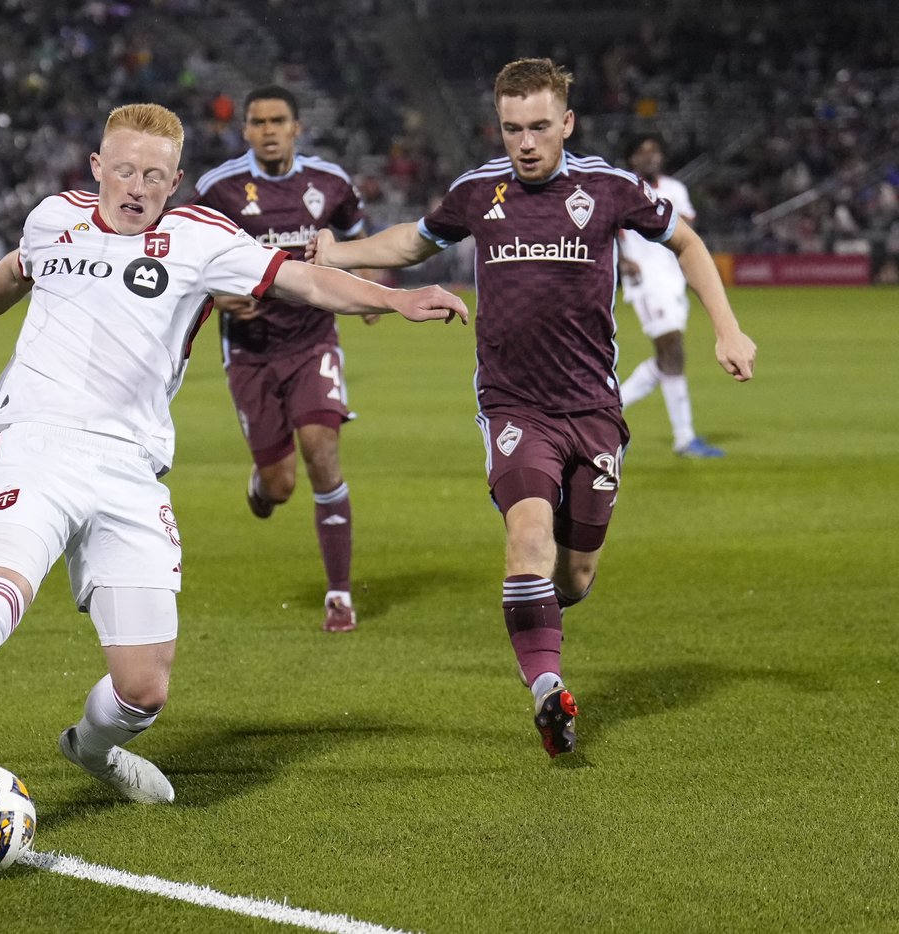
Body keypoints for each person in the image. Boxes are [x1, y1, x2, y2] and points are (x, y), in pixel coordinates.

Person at [0, 102, 468, 816]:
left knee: (143, 688)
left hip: (132, 468)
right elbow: (19, 268)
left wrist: (398, 298)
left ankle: (93, 749)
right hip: (34, 445)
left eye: (155, 177)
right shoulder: (53, 216)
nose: (137, 186)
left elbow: (307, 281)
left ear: (176, 183)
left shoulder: (203, 237)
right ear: (99, 168)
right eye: (126, 170)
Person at [310, 59, 755, 759]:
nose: (525, 141)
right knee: (525, 540)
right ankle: (549, 692)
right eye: (513, 128)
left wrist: (727, 327)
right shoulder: (478, 191)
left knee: (573, 577)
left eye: (540, 127)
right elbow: (413, 241)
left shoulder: (608, 188)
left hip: (594, 408)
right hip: (516, 406)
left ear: (566, 124)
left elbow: (688, 243)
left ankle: (542, 613)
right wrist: (339, 252)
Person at [192, 85, 374, 633]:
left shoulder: (330, 182)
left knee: (322, 450)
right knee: (281, 485)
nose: (268, 129)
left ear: (297, 127)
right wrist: (217, 295)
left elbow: (354, 237)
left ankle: (339, 595)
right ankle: (262, 485)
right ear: (244, 130)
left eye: (278, 120)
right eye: (257, 121)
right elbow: (188, 262)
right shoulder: (216, 190)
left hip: (313, 338)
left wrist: (363, 286)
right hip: (249, 352)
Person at [616, 134, 723, 458]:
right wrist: (621, 259)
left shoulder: (675, 190)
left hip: (673, 282)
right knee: (673, 352)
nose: (651, 158)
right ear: (632, 159)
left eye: (656, 152)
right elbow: (605, 230)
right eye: (643, 152)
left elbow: (687, 232)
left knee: (668, 359)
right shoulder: (621, 189)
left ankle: (604, 410)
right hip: (646, 283)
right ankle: (684, 437)